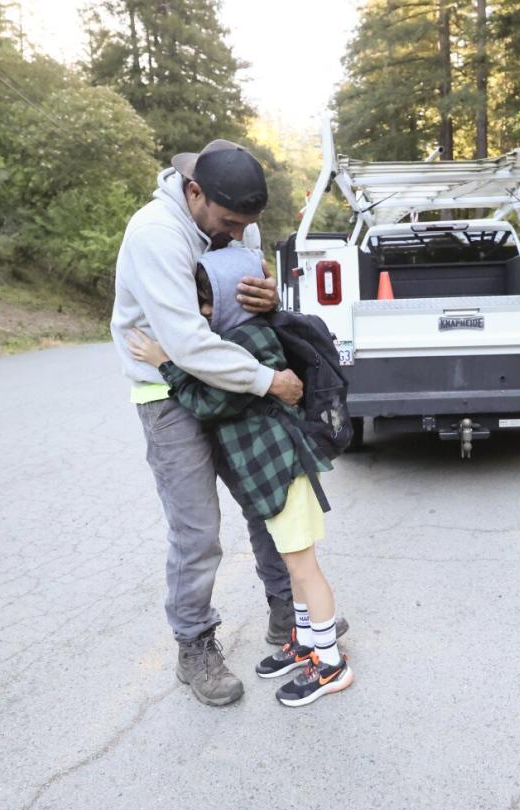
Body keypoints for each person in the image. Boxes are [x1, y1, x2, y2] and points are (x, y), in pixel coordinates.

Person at [111, 139, 307, 707]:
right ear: (195, 192)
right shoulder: (156, 234)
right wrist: (271, 381)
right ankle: (194, 646)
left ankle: (286, 616)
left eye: (247, 225)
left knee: (267, 500)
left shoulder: (231, 221)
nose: (236, 233)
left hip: (231, 378)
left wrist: (267, 299)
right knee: (197, 531)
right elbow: (188, 344)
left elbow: (243, 294)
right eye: (228, 222)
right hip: (168, 390)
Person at [127, 248, 353, 708]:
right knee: (295, 566)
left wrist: (165, 361)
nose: (201, 312)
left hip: (282, 471)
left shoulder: (243, 346)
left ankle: (330, 663)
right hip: (273, 472)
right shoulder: (246, 336)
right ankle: (306, 642)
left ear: (229, 302)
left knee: (305, 568)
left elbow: (211, 402)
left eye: (207, 302)